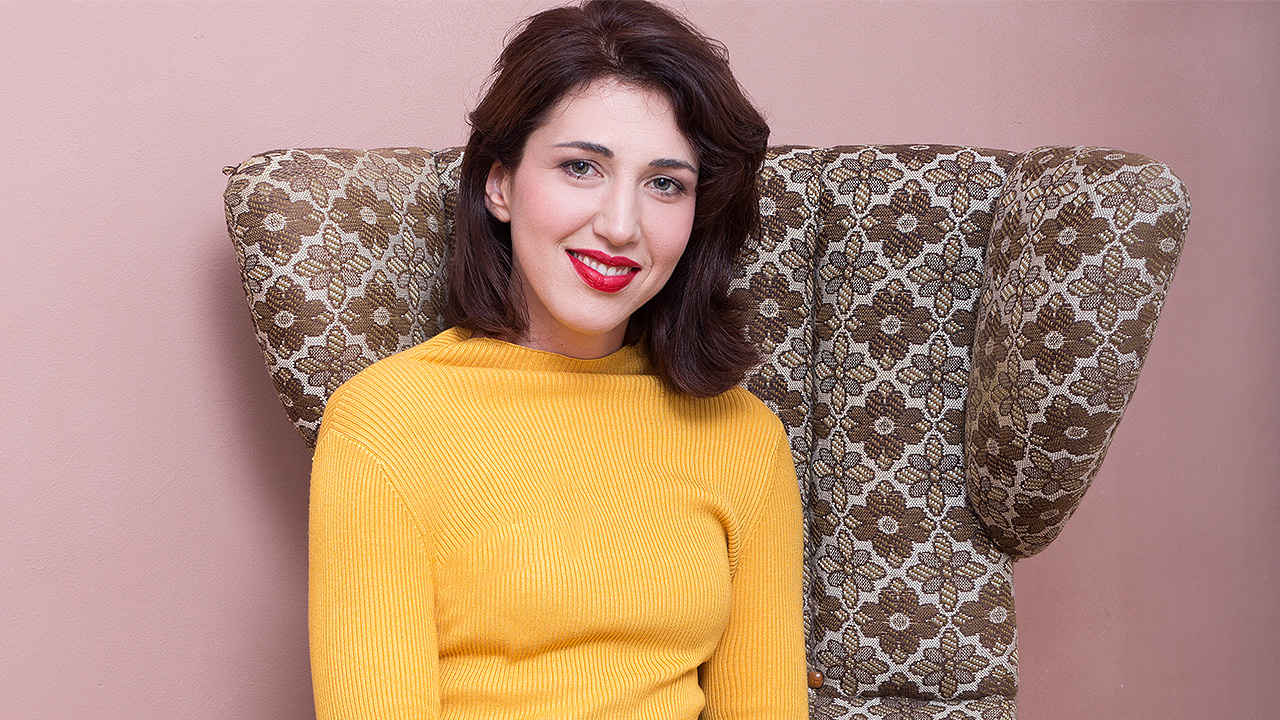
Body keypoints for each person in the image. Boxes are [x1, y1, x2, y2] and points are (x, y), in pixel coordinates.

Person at [307, 1, 806, 717]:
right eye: (581, 167)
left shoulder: (743, 434)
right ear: (499, 184)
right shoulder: (384, 423)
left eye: (665, 183)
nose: (620, 226)